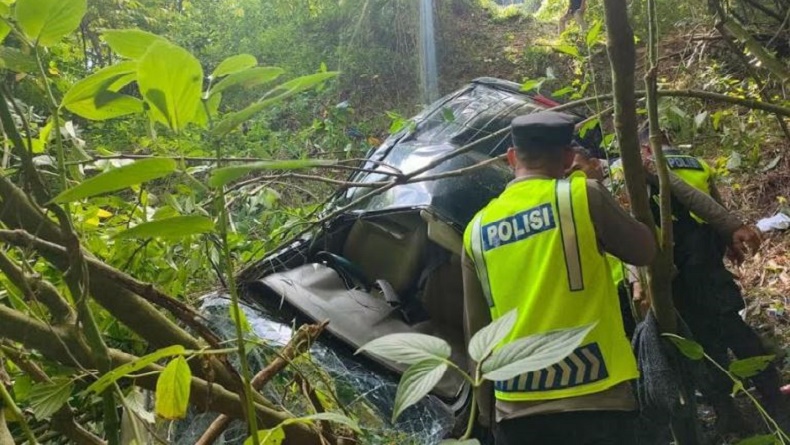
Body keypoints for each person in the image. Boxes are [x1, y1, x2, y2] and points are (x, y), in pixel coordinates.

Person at [462, 111, 657, 444]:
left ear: (511, 158)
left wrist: (485, 408)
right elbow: (645, 252)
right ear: (568, 158)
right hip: (597, 397)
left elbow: (477, 329)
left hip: (516, 407)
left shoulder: (476, 229)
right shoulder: (583, 196)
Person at [634, 127, 788, 433]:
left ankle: (733, 410)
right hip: (706, 252)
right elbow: (713, 203)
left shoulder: (645, 168)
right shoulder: (694, 161)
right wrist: (729, 236)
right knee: (731, 325)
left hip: (677, 260)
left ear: (646, 149)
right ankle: (771, 400)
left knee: (704, 337)